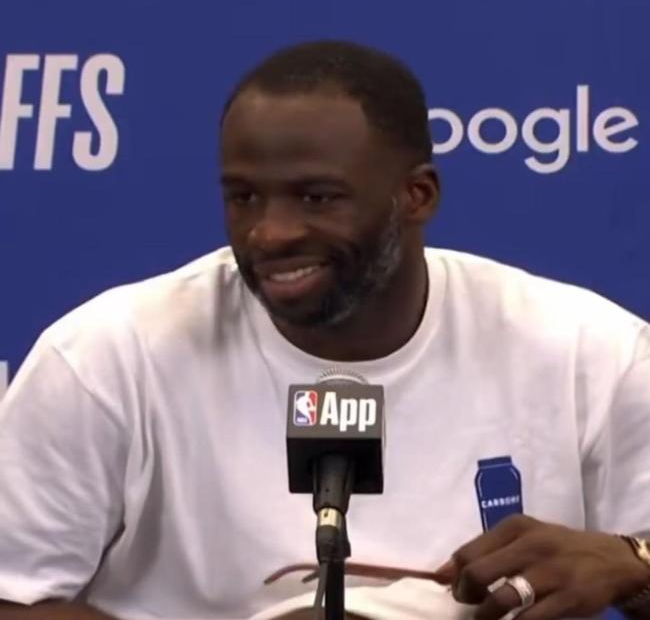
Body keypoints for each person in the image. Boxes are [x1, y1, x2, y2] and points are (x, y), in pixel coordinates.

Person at [0, 40, 649, 620]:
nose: (269, 233)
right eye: (244, 197)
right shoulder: (108, 356)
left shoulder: (589, 351)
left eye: (316, 198)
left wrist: (633, 561)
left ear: (417, 195)